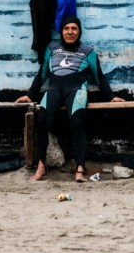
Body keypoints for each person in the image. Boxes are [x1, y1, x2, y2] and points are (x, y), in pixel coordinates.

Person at [16, 16, 124, 182]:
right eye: (66, 28)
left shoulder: (88, 52)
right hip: (53, 90)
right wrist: (30, 95)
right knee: (41, 121)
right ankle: (41, 166)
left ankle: (80, 168)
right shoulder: (51, 49)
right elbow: (41, 75)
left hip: (76, 90)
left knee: (77, 124)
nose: (70, 32)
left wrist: (111, 96)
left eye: (74, 28)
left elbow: (99, 77)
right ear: (61, 31)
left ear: (79, 31)